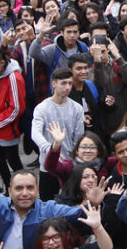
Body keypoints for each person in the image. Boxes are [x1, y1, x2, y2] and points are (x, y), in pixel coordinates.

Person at [32, 69, 90, 201]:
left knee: (70, 201)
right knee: (47, 202)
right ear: (54, 84)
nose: (67, 87)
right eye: (63, 83)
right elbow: (35, 133)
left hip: (69, 165)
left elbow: (78, 138)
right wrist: (50, 149)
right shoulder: (42, 108)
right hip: (48, 165)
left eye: (70, 83)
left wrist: (74, 158)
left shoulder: (77, 108)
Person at [0, 47, 28, 187]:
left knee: (13, 161)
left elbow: (16, 109)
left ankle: (23, 186)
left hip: (8, 129)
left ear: (2, 63)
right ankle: (9, 187)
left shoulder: (14, 78)